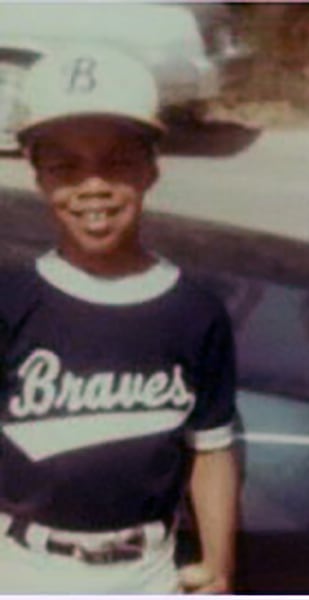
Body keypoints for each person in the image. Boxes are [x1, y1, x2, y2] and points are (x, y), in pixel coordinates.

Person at [0, 46, 239, 593]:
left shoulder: (194, 310)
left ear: (152, 168)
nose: (94, 187)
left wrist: (220, 563)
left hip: (148, 568)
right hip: (23, 566)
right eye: (64, 166)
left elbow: (211, 449)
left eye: (117, 162)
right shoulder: (10, 301)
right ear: (37, 176)